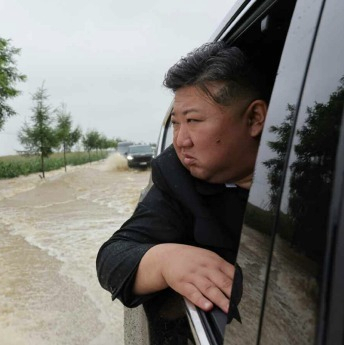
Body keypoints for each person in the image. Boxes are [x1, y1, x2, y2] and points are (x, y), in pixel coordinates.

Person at [96, 42, 269, 324]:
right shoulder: (177, 176)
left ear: (254, 119)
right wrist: (164, 260)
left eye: (194, 120)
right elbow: (113, 258)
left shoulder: (312, 176)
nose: (180, 140)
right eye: (176, 123)